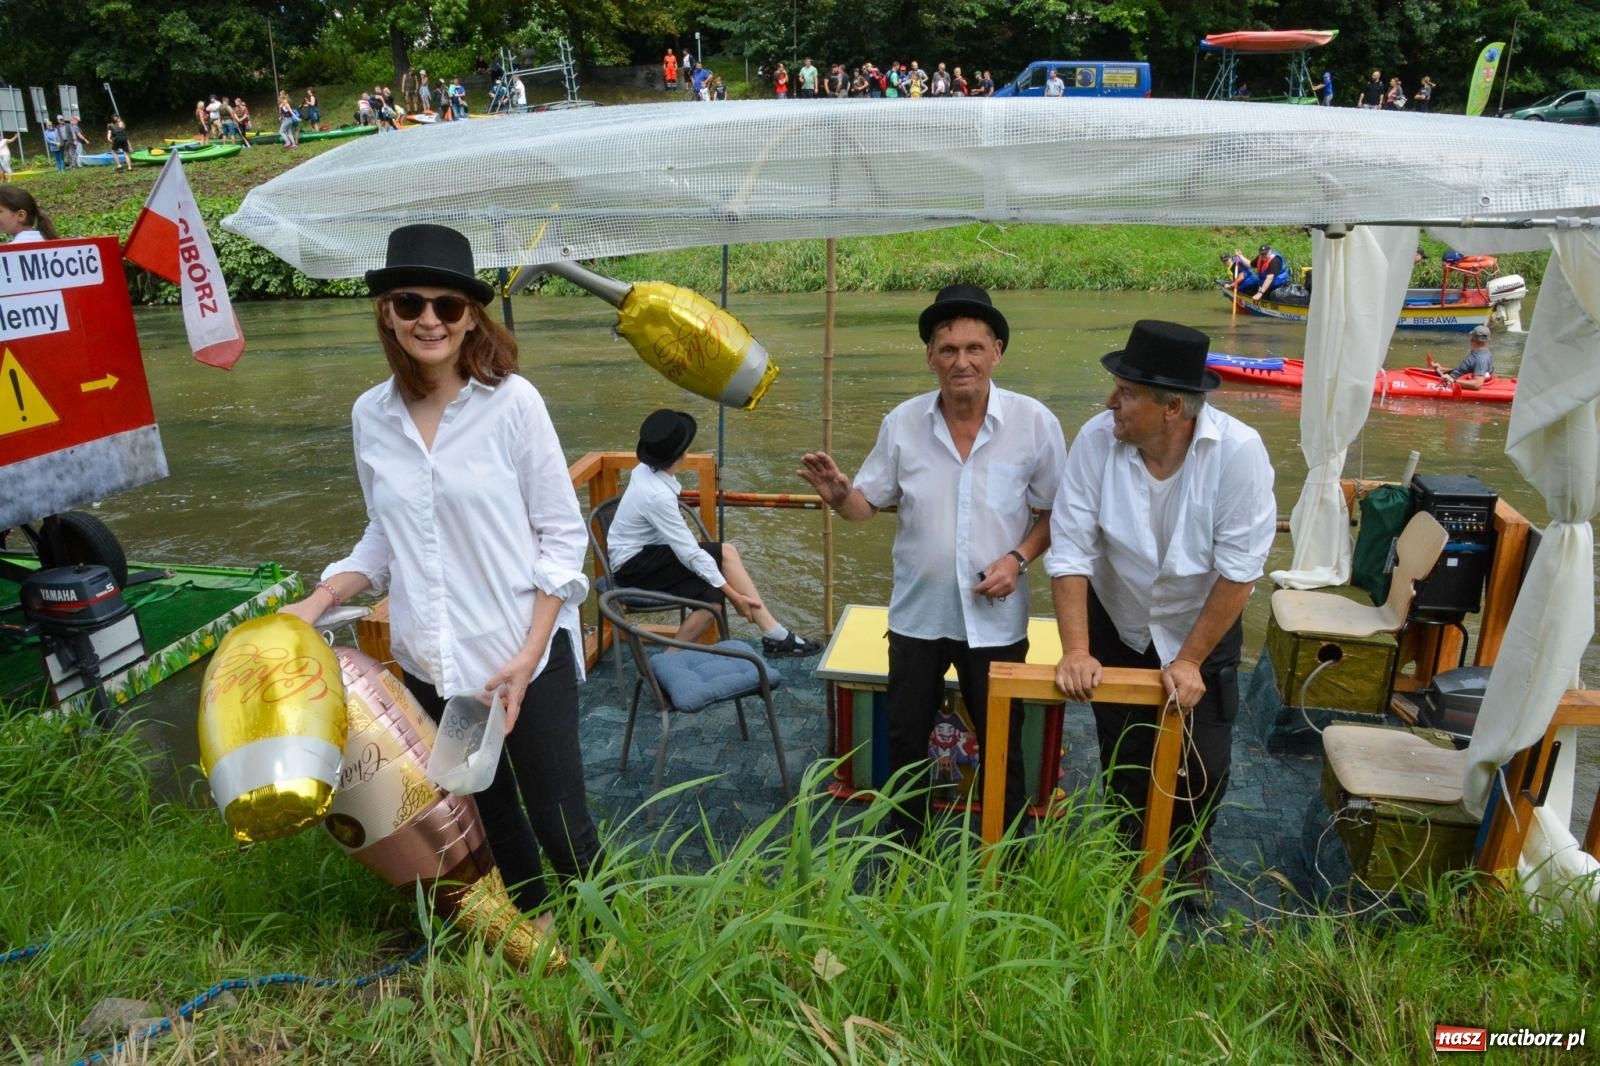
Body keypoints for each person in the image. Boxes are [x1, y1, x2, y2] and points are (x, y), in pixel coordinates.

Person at [278, 223, 601, 958]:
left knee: (560, 821)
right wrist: (320, 600)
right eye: (411, 302)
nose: (430, 319)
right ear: (387, 312)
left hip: (526, 661)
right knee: (489, 811)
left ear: (470, 318)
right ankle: (536, 938)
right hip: (439, 671)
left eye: (449, 307)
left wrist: (526, 654)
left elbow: (561, 535)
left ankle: (608, 943)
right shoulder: (371, 416)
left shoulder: (512, 404)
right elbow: (383, 535)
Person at [798, 284, 1067, 843]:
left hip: (996, 623)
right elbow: (863, 509)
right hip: (918, 617)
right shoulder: (903, 423)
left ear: (997, 351)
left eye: (974, 348)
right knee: (904, 742)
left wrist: (1018, 559)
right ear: (929, 357)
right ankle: (905, 853)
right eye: (947, 349)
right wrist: (838, 495)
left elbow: (1052, 515)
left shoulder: (1034, 423)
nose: (961, 361)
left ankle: (1007, 855)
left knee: (1002, 746)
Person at [1046, 320, 1274, 905]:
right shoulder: (1097, 440)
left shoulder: (1239, 453)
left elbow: (1240, 569)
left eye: (1125, 393)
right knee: (1123, 748)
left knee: (1205, 759)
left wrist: (1192, 658)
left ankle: (1190, 851)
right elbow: (1071, 550)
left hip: (1201, 620)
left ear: (1173, 408)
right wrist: (1076, 649)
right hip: (1117, 612)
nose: (1109, 403)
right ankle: (1128, 850)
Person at [608, 409, 823, 657]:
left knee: (713, 604)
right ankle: (775, 633)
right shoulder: (657, 495)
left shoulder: (645, 470)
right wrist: (735, 596)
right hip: (635, 565)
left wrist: (726, 592)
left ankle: (669, 659)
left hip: (649, 552)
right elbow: (689, 552)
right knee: (725, 554)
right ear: (681, 454)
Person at [1427, 324, 1494, 389]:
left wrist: (1453, 380)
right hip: (1448, 378)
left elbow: (1477, 384)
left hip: (1450, 382)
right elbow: (1464, 371)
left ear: (1473, 339)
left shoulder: (1481, 359)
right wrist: (1441, 369)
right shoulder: (1481, 353)